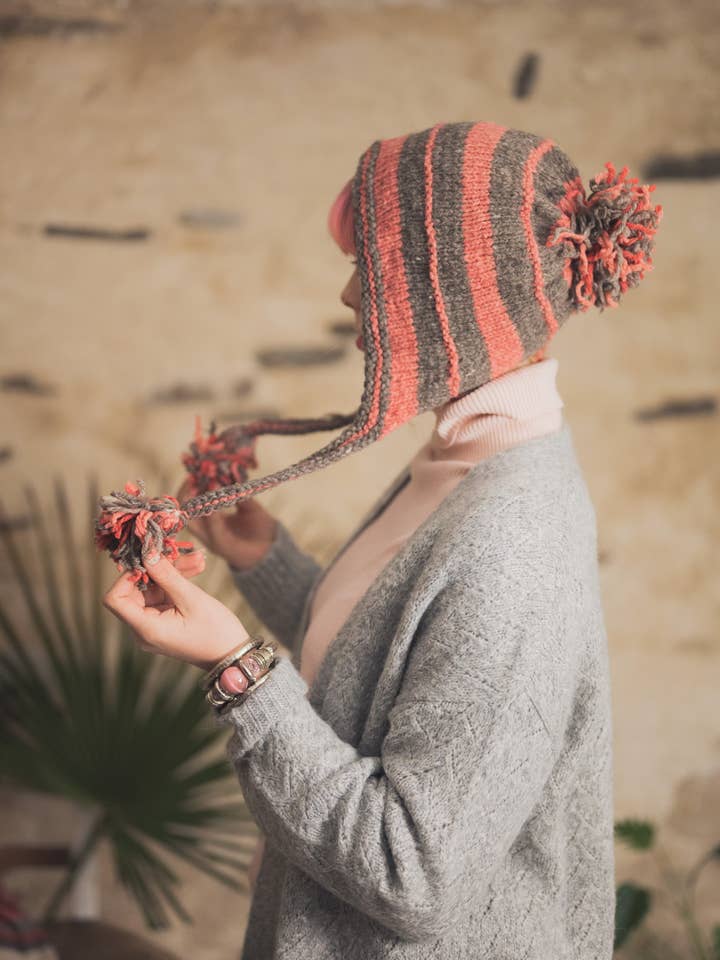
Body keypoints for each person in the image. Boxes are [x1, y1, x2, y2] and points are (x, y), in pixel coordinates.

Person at [102, 121, 662, 959]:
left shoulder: (515, 542)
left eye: (371, 267)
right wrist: (263, 559)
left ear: (452, 299)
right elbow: (386, 674)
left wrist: (236, 671)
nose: (350, 296)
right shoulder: (466, 455)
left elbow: (414, 871)